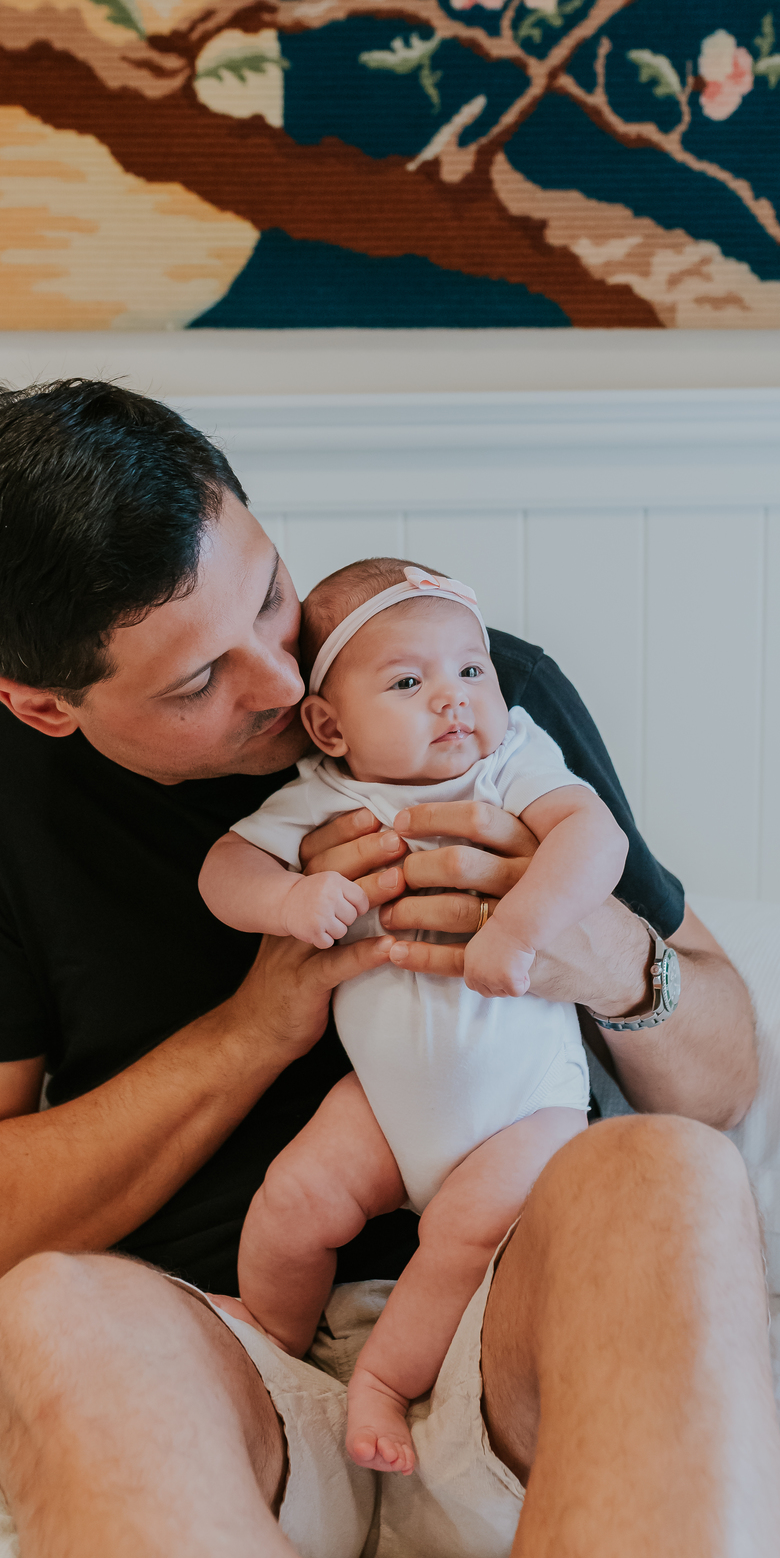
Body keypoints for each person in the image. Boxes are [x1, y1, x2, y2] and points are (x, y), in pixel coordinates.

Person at [0, 380, 780, 1558]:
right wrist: (259, 1021)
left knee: (674, 1178)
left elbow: (725, 1071)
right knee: (41, 1316)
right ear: (45, 706)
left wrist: (584, 943)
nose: (282, 675)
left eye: (265, 594)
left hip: (515, 1332)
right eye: (200, 677)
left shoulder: (455, 680)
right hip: (234, 1371)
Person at [201, 559, 629, 1476]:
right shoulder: (326, 797)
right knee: (294, 1197)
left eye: (471, 670)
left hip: (525, 1112)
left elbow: (596, 838)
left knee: (463, 1234)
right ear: (329, 725)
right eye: (409, 682)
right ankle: (277, 1327)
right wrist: (289, 901)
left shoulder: (509, 764)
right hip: (388, 1104)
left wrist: (520, 926)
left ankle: (387, 1382)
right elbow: (224, 871)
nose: (455, 701)